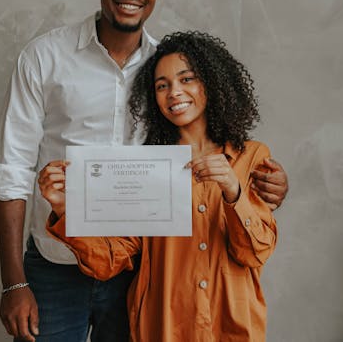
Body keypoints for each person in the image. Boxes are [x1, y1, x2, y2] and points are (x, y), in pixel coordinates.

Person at [0, 0, 288, 342]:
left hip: (138, 270)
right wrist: (14, 282)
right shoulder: (45, 57)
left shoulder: (163, 62)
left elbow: (251, 224)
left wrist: (259, 187)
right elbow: (11, 169)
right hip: (60, 262)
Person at [41, 31, 278, 341]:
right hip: (164, 328)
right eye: (162, 86)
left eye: (187, 79)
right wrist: (63, 208)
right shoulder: (147, 168)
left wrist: (234, 192)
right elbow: (114, 258)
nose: (174, 93)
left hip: (232, 326)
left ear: (212, 83)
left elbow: (255, 253)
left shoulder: (253, 157)